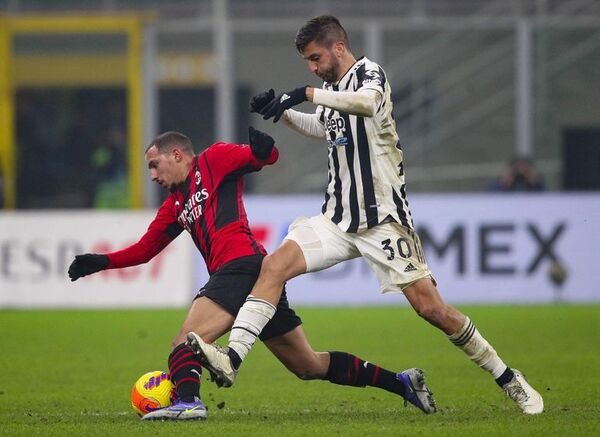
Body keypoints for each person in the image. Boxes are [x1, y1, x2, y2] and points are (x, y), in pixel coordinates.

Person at [187, 15, 544, 415]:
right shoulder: (329, 88)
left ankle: (508, 378)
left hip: (383, 221)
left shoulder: (369, 74)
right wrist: (282, 111)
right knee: (273, 266)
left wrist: (303, 92)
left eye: (316, 57)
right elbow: (323, 127)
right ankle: (231, 359)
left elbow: (368, 104)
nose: (313, 67)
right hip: (336, 220)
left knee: (432, 310)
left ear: (339, 47)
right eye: (308, 61)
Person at [68, 128, 437, 421]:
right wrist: (102, 262)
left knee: (184, 343)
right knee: (307, 365)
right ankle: (402, 383)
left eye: (154, 165)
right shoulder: (176, 205)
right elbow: (146, 249)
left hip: (241, 265)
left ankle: (189, 403)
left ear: (176, 155)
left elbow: (264, 157)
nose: (152, 175)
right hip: (258, 277)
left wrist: (265, 149)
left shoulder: (213, 160)